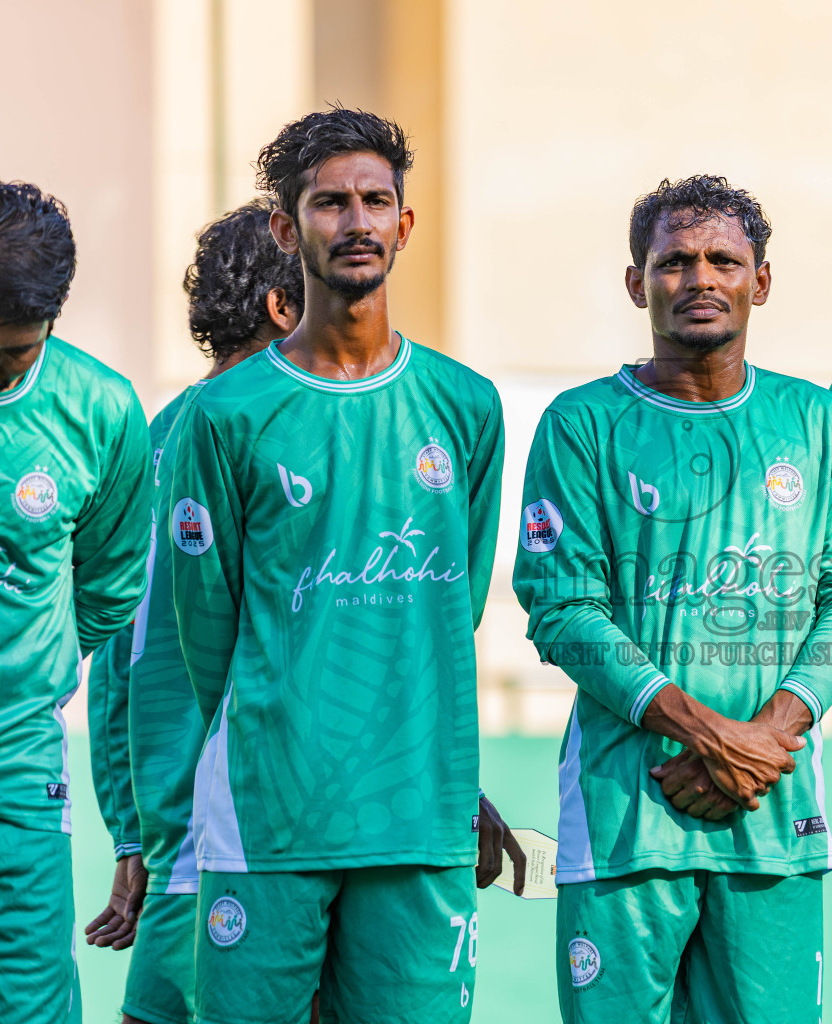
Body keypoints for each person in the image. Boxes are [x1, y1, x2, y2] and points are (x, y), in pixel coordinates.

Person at [164, 107, 523, 1024]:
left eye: (376, 201)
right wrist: (273, 738)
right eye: (329, 203)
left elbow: (457, 601)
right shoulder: (227, 414)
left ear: (405, 225)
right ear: (288, 230)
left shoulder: (466, 404)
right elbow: (209, 626)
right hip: (271, 814)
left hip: (418, 814)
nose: (356, 222)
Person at [512, 174, 832, 1023]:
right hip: (627, 816)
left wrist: (767, 738)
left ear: (761, 281)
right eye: (675, 261)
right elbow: (563, 606)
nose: (700, 278)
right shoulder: (583, 423)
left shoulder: (818, 421)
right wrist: (714, 736)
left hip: (774, 814)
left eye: (724, 258)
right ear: (637, 282)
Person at [0, 181, 151, 1022]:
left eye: (14, 352)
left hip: (6, 788)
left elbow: (109, 587)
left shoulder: (102, 413)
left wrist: (20, 674)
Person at [83, 198, 305, 1024]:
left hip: (179, 834)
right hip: (275, 834)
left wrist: (135, 832)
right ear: (286, 307)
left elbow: (114, 662)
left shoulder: (152, 437)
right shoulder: (279, 432)